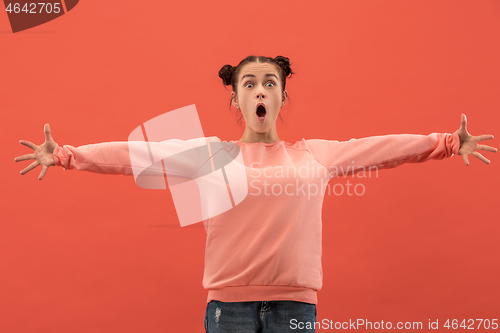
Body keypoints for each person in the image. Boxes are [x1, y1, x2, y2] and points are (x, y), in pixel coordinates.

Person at [14, 55, 496, 333]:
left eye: (271, 82)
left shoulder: (316, 155)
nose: (260, 90)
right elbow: (139, 155)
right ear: (236, 98)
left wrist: (447, 144)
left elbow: (382, 149)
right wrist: (66, 155)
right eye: (250, 83)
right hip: (228, 311)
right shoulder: (210, 154)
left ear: (283, 96)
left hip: (296, 310)